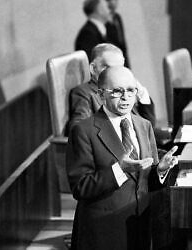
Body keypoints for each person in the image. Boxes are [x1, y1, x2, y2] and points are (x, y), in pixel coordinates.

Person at [66, 65, 178, 250]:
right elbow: (80, 187)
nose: (125, 97)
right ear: (101, 95)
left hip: (140, 224)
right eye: (117, 91)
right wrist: (119, 170)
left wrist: (160, 170)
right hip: (104, 229)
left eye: (130, 90)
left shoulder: (144, 125)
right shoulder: (84, 131)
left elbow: (143, 180)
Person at [67, 43, 155, 135]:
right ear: (93, 68)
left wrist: (142, 94)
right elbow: (78, 129)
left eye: (120, 68)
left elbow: (147, 130)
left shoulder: (125, 91)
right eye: (109, 68)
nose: (116, 74)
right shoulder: (84, 93)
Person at [105, 0, 130, 68]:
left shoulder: (117, 17)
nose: (113, 2)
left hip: (123, 59)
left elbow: (122, 41)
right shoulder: (103, 20)